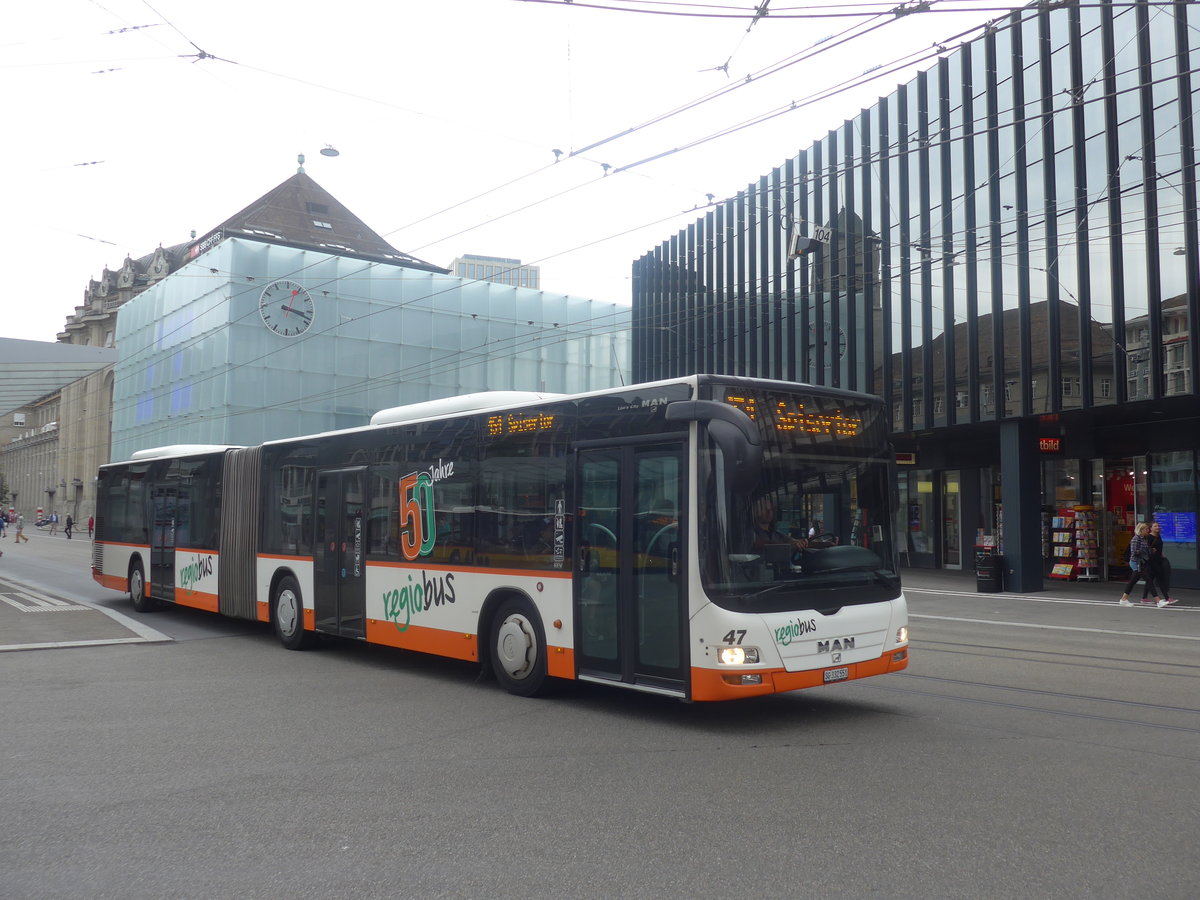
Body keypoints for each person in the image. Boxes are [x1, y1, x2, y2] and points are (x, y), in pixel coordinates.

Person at [1118, 522, 1160, 606]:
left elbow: (1145, 550)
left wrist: (1150, 551)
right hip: (1136, 562)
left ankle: (1124, 599)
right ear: (1141, 530)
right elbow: (1134, 552)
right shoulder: (1135, 539)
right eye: (1146, 529)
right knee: (1149, 580)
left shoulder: (1144, 539)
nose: (1147, 531)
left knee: (1133, 581)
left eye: (1148, 529)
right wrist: (1145, 552)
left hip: (1141, 562)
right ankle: (1158, 601)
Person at [1145, 522, 1178, 607]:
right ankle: (1167, 598)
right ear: (1151, 528)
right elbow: (1146, 549)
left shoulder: (1158, 536)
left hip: (1159, 559)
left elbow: (1159, 547)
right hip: (1152, 561)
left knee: (1150, 579)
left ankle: (1144, 598)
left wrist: (1162, 554)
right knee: (1160, 579)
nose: (1157, 527)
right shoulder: (1149, 537)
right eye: (1155, 526)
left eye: (1158, 526)